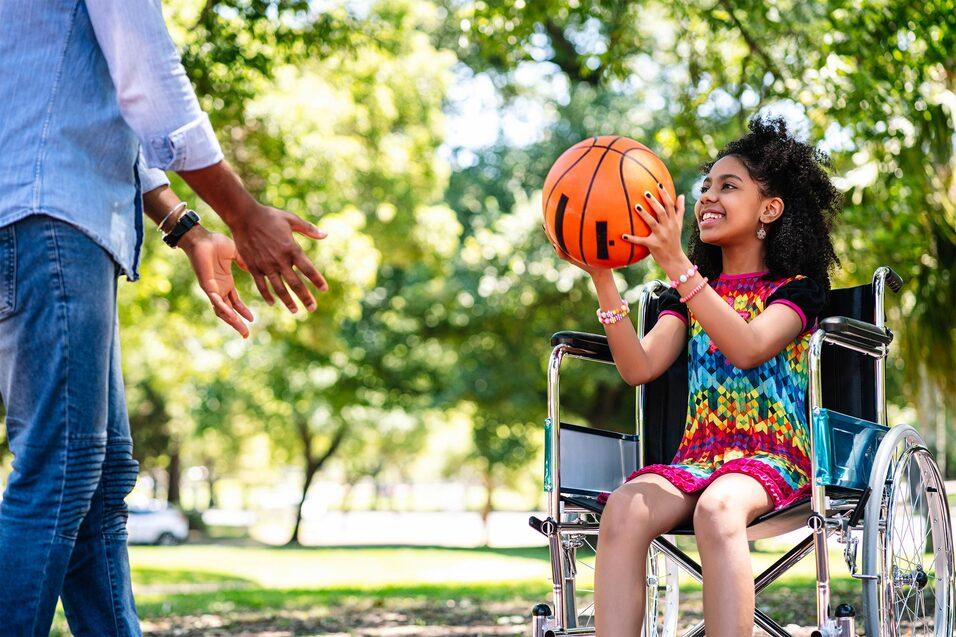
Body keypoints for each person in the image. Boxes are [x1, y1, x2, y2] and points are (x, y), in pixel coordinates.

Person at [0, 2, 328, 635]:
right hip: (50, 224)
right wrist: (242, 211)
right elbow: (147, 77)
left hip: (41, 222)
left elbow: (85, 109)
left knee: (99, 478)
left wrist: (188, 229)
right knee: (63, 468)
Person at [571, 117, 841, 635]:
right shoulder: (686, 294)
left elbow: (748, 347)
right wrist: (603, 278)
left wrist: (676, 264)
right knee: (626, 506)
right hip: (700, 458)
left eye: (728, 186)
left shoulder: (798, 288)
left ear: (771, 209)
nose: (707, 197)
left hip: (774, 458)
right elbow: (638, 367)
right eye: (705, 186)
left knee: (719, 508)